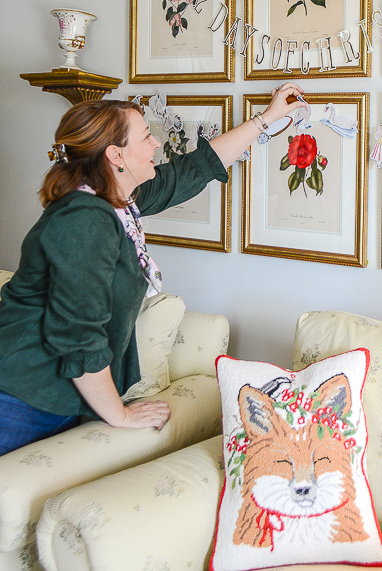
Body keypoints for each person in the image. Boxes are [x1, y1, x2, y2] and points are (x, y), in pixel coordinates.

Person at [0, 82, 303, 456]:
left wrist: (268, 118)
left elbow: (193, 170)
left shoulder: (117, 201)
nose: (156, 144)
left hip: (54, 394)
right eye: (146, 137)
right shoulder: (83, 219)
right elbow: (80, 338)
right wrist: (121, 415)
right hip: (19, 393)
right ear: (116, 155)